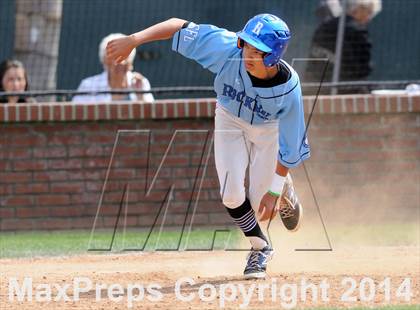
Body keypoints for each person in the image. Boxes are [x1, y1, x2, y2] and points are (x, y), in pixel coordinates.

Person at [107, 14, 310, 279]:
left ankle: (284, 189)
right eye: (246, 44)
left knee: (263, 200)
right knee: (231, 195)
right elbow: (177, 25)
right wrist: (134, 40)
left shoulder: (288, 88)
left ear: (273, 56)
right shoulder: (228, 50)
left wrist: (274, 189)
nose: (248, 53)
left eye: (257, 50)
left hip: (268, 131)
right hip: (229, 119)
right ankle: (260, 248)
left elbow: (292, 147)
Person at [305, 0, 382, 94]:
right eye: (369, 12)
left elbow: (312, 61)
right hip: (347, 90)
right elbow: (363, 69)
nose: (369, 18)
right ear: (360, 9)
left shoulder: (324, 27)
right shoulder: (358, 32)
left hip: (317, 87)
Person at [72, 33, 154, 103]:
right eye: (115, 57)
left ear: (131, 63)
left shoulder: (141, 83)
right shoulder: (88, 86)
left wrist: (140, 96)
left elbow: (152, 116)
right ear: (104, 61)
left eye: (124, 57)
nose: (121, 62)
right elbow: (75, 114)